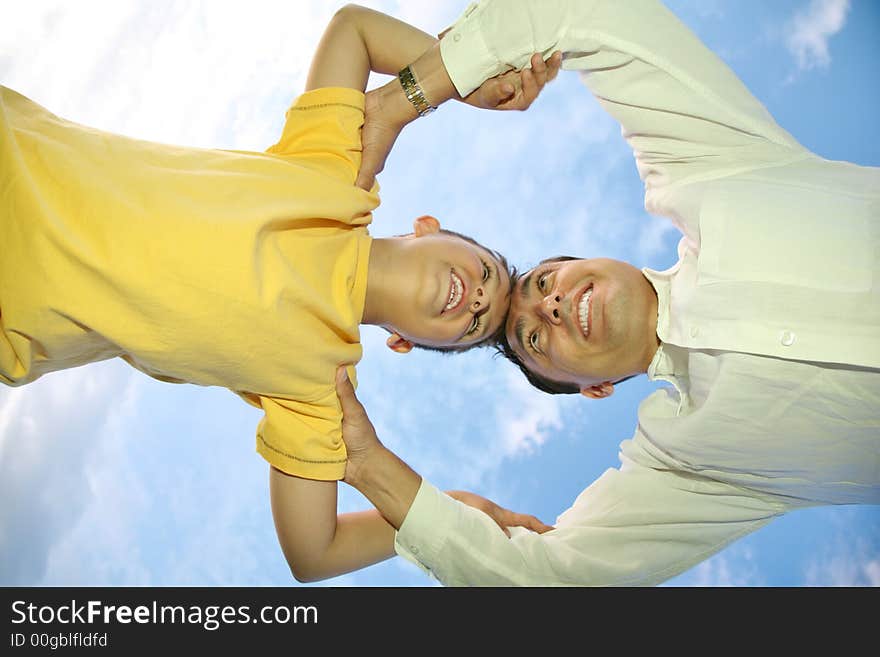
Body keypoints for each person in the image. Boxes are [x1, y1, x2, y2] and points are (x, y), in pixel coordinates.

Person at [0, 5, 560, 580]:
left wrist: (458, 513)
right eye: (486, 276)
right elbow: (354, 30)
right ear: (428, 227)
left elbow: (312, 555)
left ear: (404, 343)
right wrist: (462, 81)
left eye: (472, 324)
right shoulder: (338, 170)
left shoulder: (320, 391)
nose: (473, 300)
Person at [336, 0, 880, 585]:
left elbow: (585, 11)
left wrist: (402, 100)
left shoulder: (710, 170)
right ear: (592, 389)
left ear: (591, 260)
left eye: (543, 282)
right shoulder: (688, 467)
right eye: (535, 338)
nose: (548, 305)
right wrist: (368, 464)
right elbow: (554, 583)